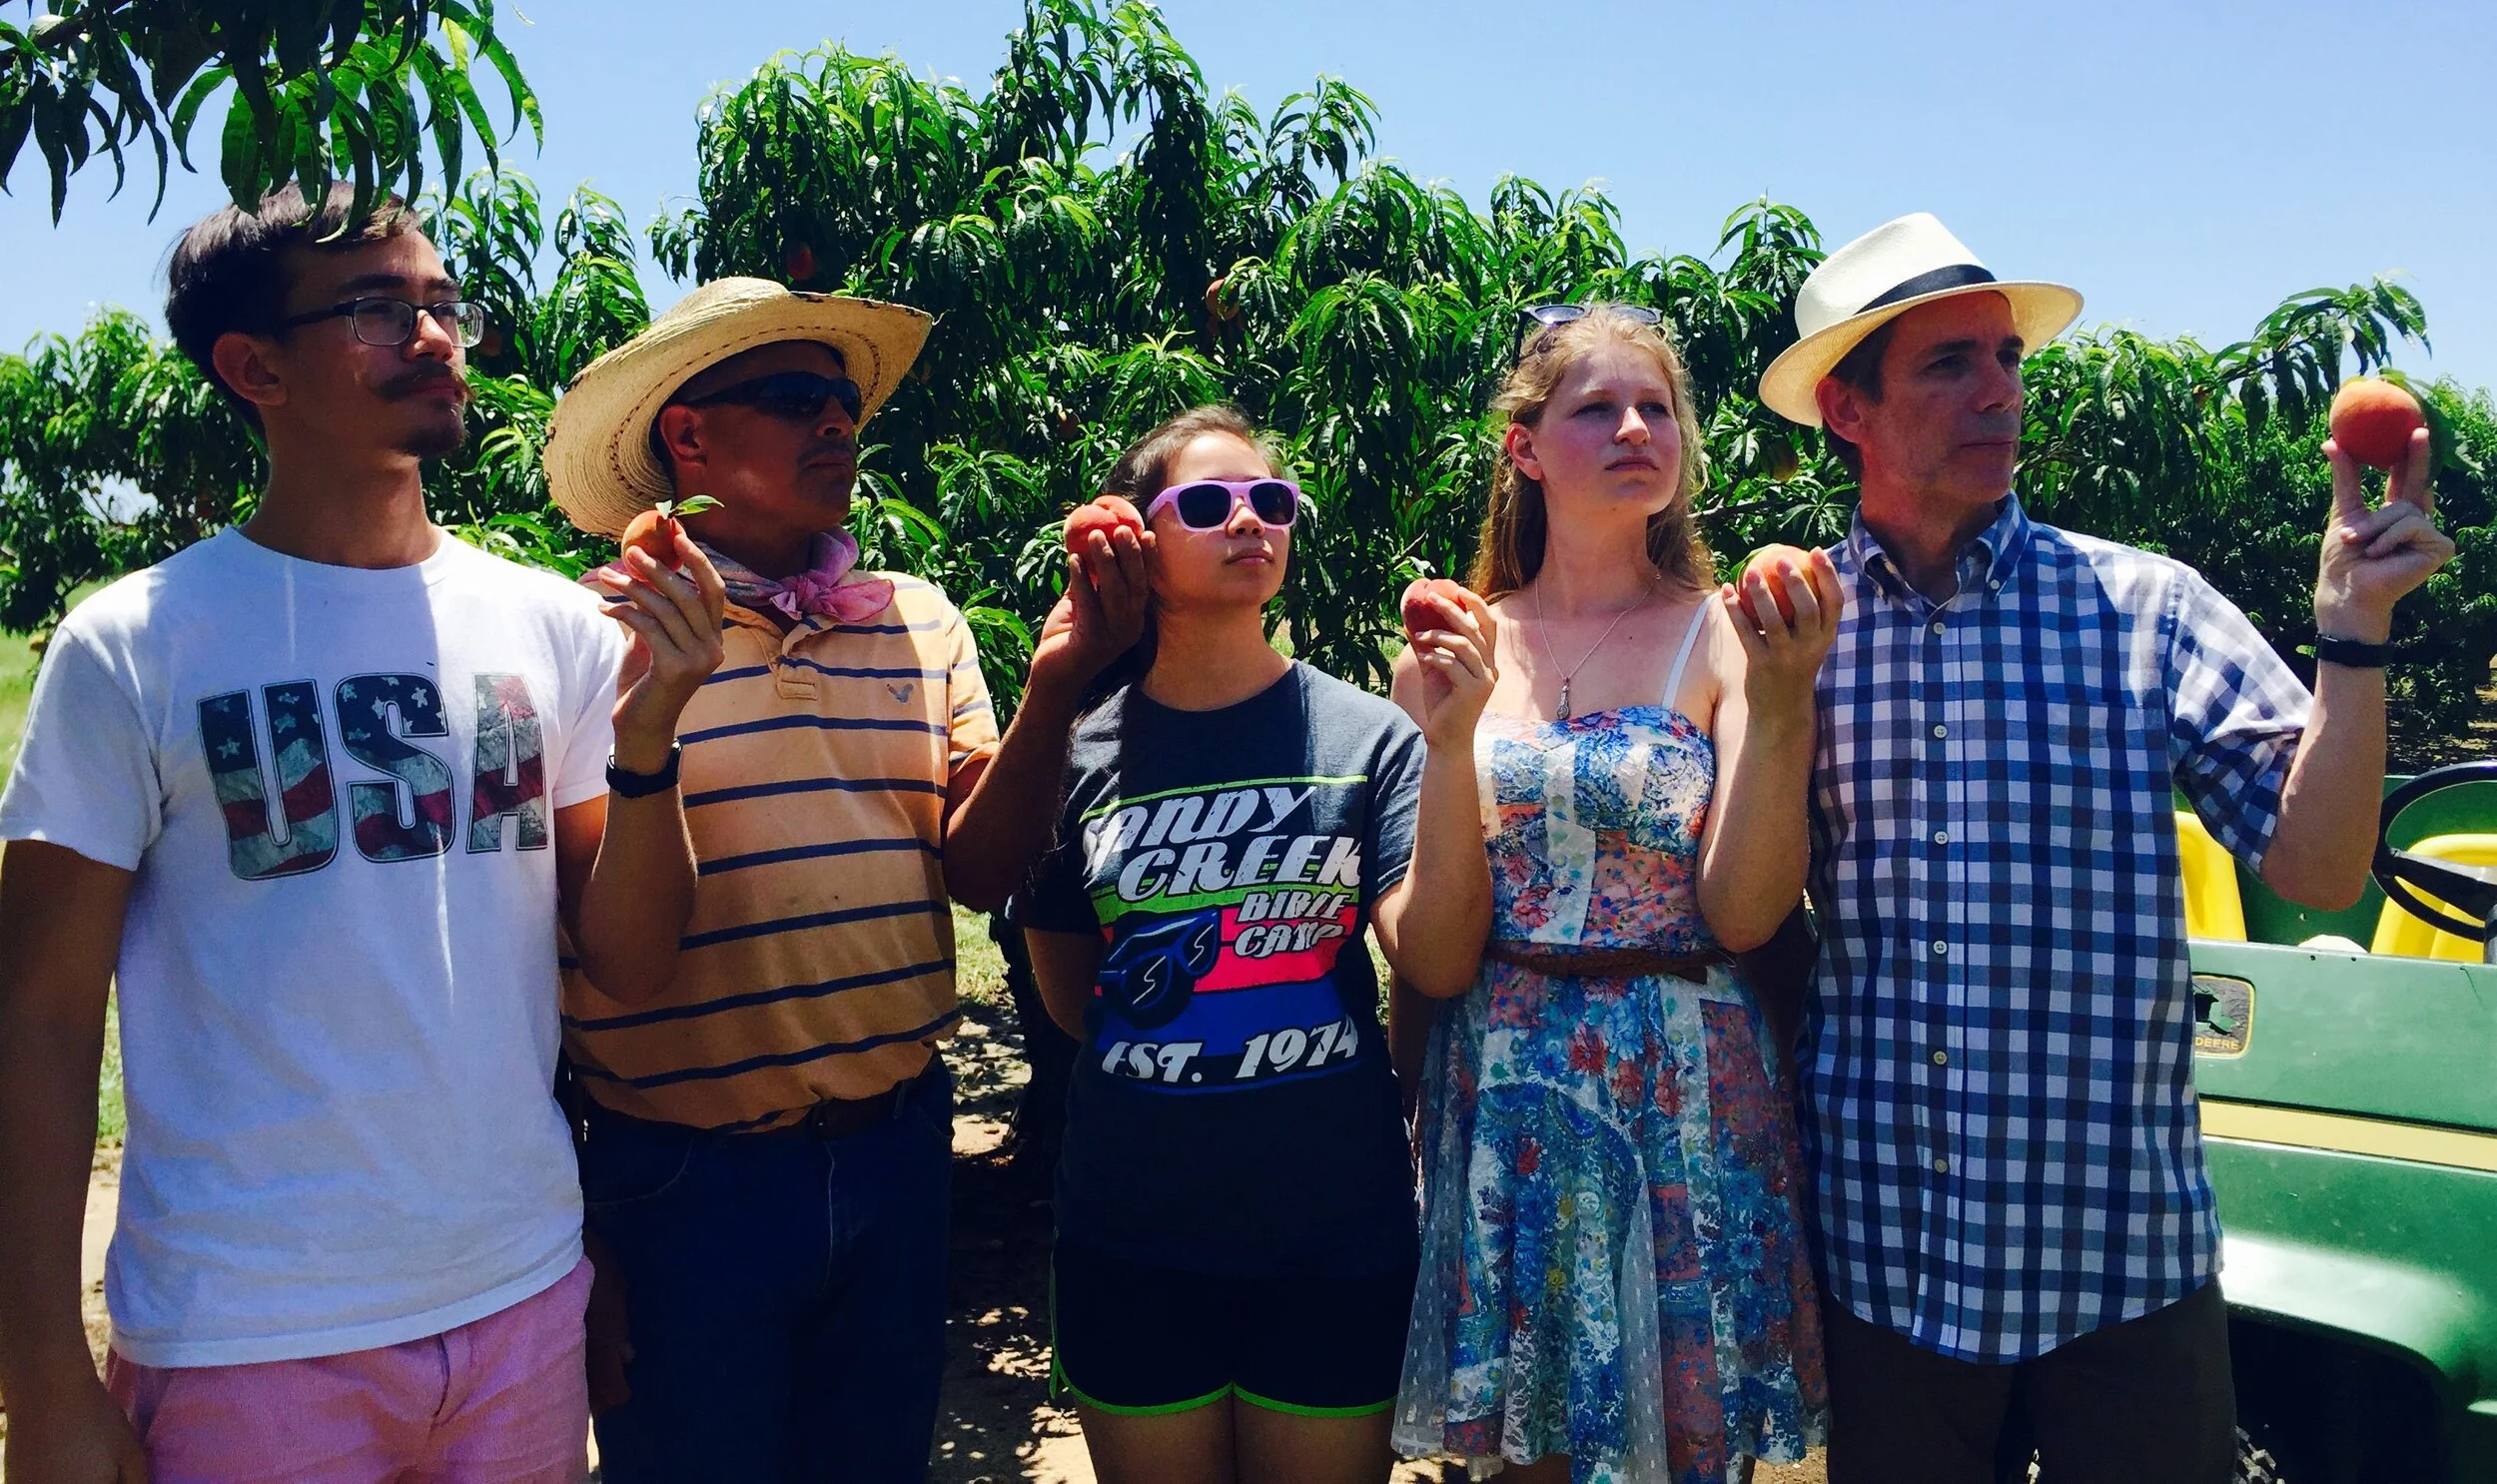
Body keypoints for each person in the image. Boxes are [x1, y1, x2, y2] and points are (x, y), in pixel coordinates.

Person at [0, 183, 724, 1484]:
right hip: (249, 1333)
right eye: (378, 309)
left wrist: (652, 730)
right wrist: (41, 1373)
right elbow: (40, 1017)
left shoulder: (550, 625)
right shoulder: (135, 645)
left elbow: (630, 960)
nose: (435, 336)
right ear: (254, 366)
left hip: (516, 1299)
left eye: (443, 303)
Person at [1756, 213, 2457, 1484]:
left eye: (2006, 357)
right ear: (1847, 411)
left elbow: (2315, 871)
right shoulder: (1795, 633)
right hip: (1885, 1247)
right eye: (1948, 364)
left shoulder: (2144, 606)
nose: (1999, 390)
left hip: (2117, 1251)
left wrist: (2352, 633)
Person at [537, 277, 1146, 1484]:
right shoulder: (583, 636)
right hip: (680, 1175)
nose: (835, 421)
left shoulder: (918, 620)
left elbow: (979, 872)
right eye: (792, 396)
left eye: (843, 401)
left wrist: (1058, 687)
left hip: (893, 1145)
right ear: (687, 435)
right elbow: (580, 952)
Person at [1390, 305, 1833, 1484]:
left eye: (1657, 408)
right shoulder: (1455, 645)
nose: (1636, 428)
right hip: (1505, 1081)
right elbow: (1434, 950)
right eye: (1597, 409)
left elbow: (1744, 913)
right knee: (1526, 1451)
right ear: (1524, 448)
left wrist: (1784, 704)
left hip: (1683, 1080)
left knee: (1687, 1448)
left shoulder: (1726, 635)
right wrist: (1450, 734)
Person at [1009, 405, 1491, 1484]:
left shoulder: (1370, 736)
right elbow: (1069, 994)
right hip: (1131, 1230)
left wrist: (1453, 743)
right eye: (1208, 502)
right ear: (1137, 540)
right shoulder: (1077, 752)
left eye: (1271, 500)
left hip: (1334, 1227)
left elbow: (1435, 958)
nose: (1249, 521)